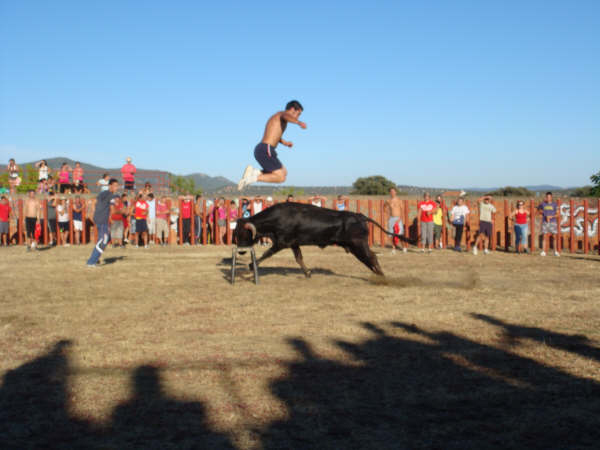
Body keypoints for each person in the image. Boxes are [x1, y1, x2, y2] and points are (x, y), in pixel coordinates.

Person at [238, 100, 306, 189]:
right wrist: (298, 122)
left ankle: (255, 172)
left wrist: (284, 142)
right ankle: (250, 179)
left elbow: (274, 134)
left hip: (265, 149)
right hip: (265, 149)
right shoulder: (282, 114)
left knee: (284, 172)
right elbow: (286, 116)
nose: (298, 116)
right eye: (298, 114)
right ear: (293, 109)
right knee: (280, 177)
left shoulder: (278, 118)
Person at [86, 178, 120, 267]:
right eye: (115, 186)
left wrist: (92, 212)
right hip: (102, 220)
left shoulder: (103, 193)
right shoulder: (111, 196)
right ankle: (91, 261)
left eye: (117, 186)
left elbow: (94, 201)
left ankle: (94, 259)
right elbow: (113, 211)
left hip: (99, 218)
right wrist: (123, 211)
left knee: (105, 238)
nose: (117, 187)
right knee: (104, 240)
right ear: (110, 186)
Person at [537, 191, 560, 257]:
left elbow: (558, 214)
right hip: (545, 222)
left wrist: (551, 216)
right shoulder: (542, 204)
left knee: (554, 237)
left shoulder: (555, 204)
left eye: (549, 197)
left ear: (551, 197)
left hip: (553, 222)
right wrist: (544, 213)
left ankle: (555, 251)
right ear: (546, 197)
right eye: (547, 197)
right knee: (544, 236)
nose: (548, 198)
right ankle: (543, 251)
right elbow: (539, 210)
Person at [384, 188, 405, 254]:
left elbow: (402, 210)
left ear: (396, 192)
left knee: (400, 234)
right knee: (391, 234)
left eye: (393, 191)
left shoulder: (399, 200)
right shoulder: (388, 200)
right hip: (391, 218)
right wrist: (387, 215)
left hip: (398, 218)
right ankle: (393, 248)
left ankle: (404, 247)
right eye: (391, 192)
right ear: (390, 193)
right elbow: (384, 207)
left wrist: (400, 218)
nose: (392, 193)